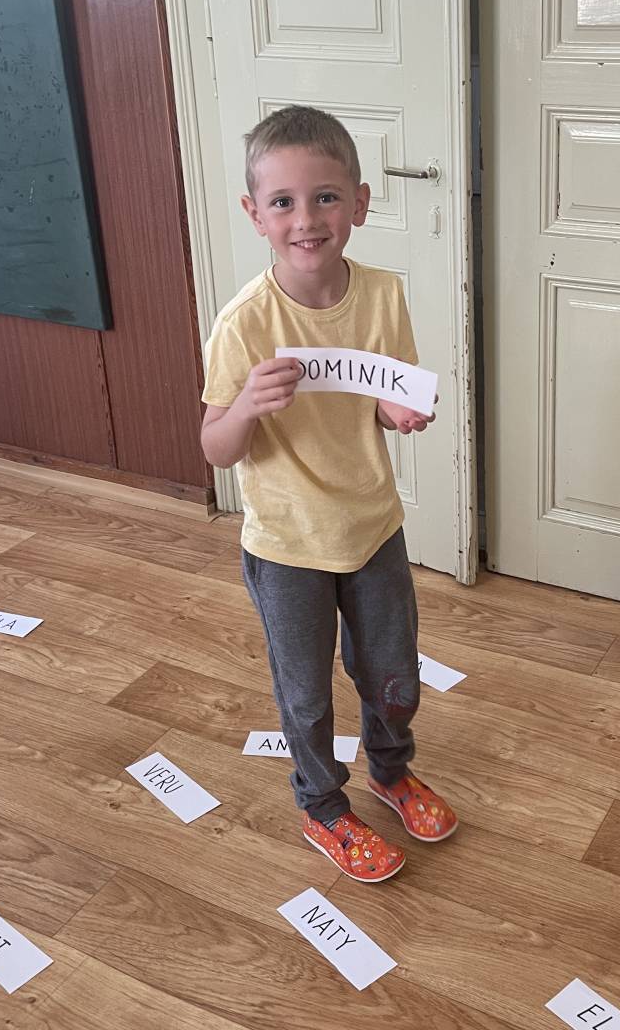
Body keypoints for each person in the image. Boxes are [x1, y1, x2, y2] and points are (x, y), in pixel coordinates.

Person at [200, 105, 456, 882]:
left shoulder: (382, 296)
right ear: (255, 215)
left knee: (393, 672)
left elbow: (380, 398)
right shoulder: (244, 324)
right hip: (286, 543)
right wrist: (247, 406)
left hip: (372, 525)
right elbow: (216, 447)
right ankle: (322, 805)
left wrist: (397, 412)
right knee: (306, 694)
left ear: (360, 203)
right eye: (283, 202)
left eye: (326, 197)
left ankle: (391, 770)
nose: (306, 219)